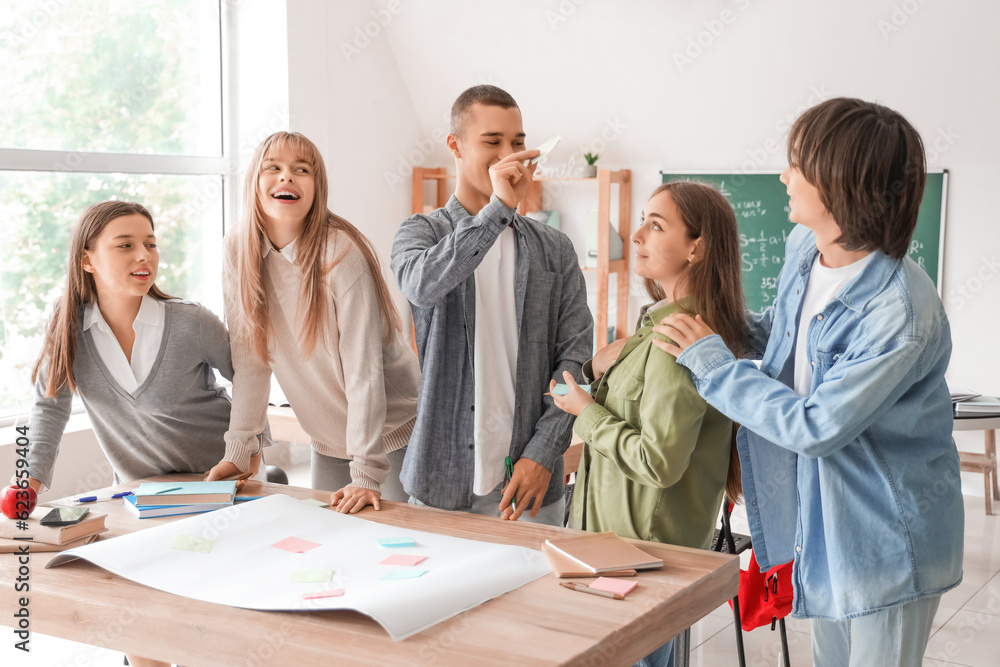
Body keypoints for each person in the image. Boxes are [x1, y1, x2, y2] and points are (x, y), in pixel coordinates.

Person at [655, 97, 963, 666]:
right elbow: (786, 335)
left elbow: (818, 424)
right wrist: (715, 322)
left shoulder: (899, 312)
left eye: (796, 165)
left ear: (842, 184)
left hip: (889, 539)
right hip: (825, 522)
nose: (783, 176)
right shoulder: (806, 247)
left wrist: (715, 365)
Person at [23, 200, 264, 667]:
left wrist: (245, 451)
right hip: (141, 496)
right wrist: (29, 480)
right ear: (87, 260)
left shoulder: (190, 321)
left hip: (220, 484)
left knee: (210, 621)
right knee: (140, 622)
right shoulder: (67, 328)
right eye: (126, 245)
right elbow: (48, 406)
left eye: (150, 244)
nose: (144, 256)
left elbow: (250, 376)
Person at [552, 181, 746, 667]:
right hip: (620, 549)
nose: (636, 236)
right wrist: (596, 375)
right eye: (642, 220)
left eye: (655, 226)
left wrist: (584, 411)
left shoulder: (676, 340)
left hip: (640, 554)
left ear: (696, 247)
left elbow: (658, 462)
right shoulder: (656, 328)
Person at [391, 85, 592, 523]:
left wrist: (542, 453)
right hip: (441, 481)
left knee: (539, 592)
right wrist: (499, 207)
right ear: (455, 146)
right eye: (492, 141)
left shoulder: (554, 248)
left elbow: (576, 358)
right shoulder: (420, 233)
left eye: (518, 143)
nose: (509, 155)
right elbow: (422, 287)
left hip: (531, 486)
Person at [209, 132, 420, 514]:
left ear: (317, 187)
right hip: (327, 439)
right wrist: (240, 449)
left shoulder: (340, 253)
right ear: (254, 182)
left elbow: (364, 372)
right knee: (331, 549)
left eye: (300, 170)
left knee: (394, 549)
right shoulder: (238, 250)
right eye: (272, 168)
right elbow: (251, 361)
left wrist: (366, 474)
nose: (286, 177)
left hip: (393, 435)